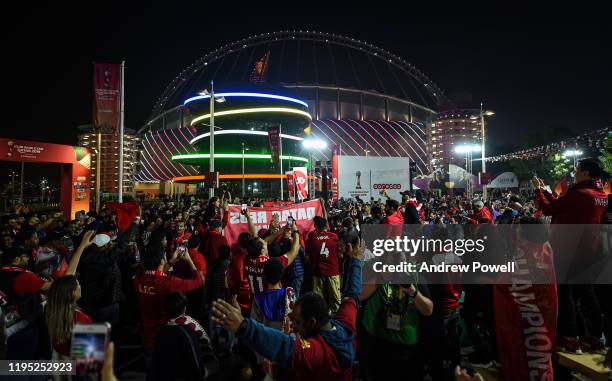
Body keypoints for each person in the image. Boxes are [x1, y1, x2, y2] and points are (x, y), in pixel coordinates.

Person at [211, 238, 364, 381]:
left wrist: (244, 326)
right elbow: (352, 295)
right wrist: (356, 262)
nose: (293, 324)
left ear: (311, 322)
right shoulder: (346, 324)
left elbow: (284, 346)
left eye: (297, 321)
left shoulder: (314, 352)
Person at [533, 158, 608, 353]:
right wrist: (547, 191)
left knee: (566, 295)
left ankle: (570, 338)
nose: (574, 173)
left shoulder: (581, 194)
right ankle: (596, 336)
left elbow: (550, 209)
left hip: (567, 251)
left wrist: (538, 191)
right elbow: (562, 205)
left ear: (585, 173)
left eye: (577, 170)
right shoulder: (600, 195)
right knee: (587, 294)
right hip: (587, 252)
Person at [134, 245, 204, 373]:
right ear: (162, 261)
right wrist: (189, 260)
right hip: (167, 337)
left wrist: (171, 261)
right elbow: (198, 282)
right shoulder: (168, 283)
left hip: (147, 337)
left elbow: (155, 275)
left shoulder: (138, 280)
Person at [152, 292, 217, 380]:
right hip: (196, 369)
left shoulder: (162, 331)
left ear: (165, 311)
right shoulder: (189, 327)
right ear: (184, 309)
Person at [250, 258, 296, 380]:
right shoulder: (289, 294)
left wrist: (261, 360)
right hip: (287, 350)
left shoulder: (258, 299)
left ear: (264, 275)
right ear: (281, 275)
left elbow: (254, 332)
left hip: (268, 352)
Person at [306, 216, 341, 312]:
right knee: (335, 300)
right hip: (333, 272)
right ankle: (337, 322)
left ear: (315, 226)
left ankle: (321, 320)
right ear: (326, 225)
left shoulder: (312, 239)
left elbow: (307, 257)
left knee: (319, 301)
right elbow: (340, 253)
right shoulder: (334, 236)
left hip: (318, 273)